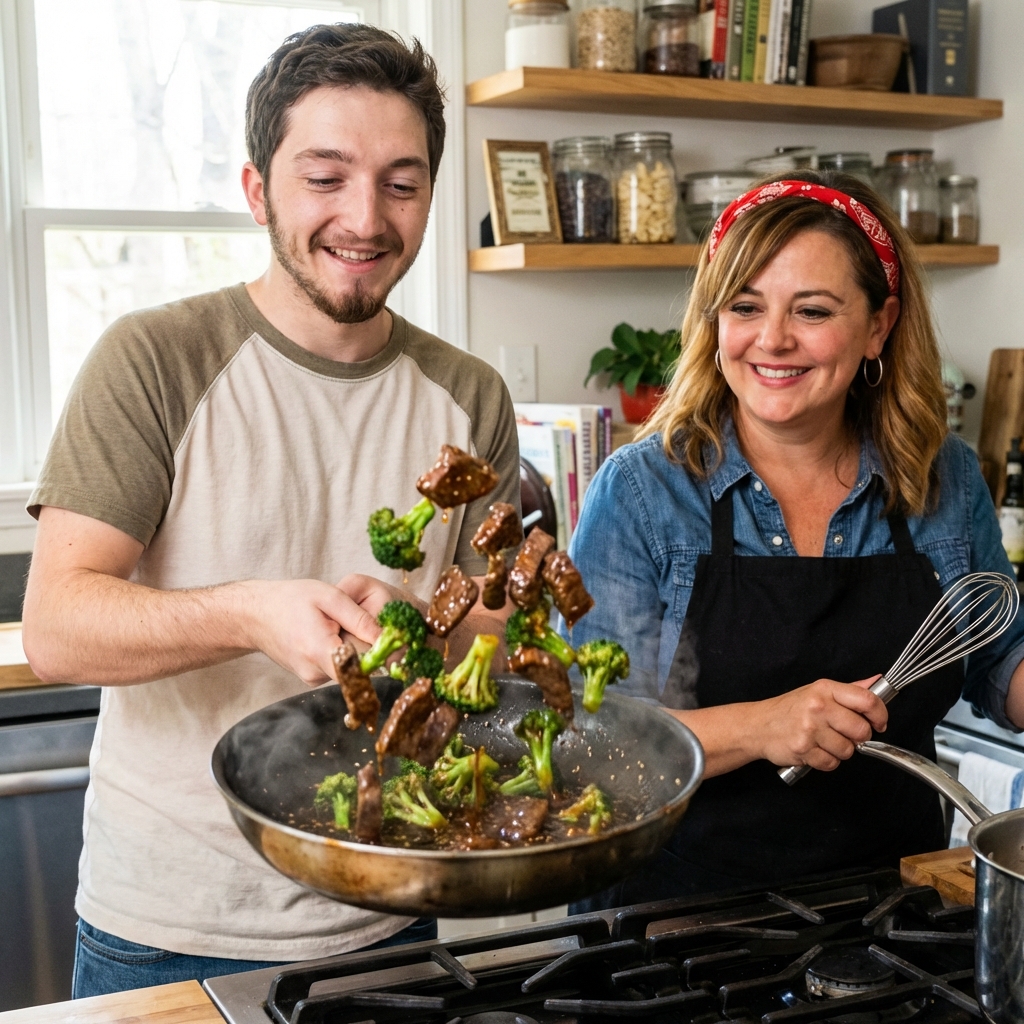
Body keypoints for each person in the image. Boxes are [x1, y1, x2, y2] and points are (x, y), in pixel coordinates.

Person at [21, 24, 518, 995]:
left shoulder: (470, 396)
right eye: (324, 177)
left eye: (401, 182)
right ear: (258, 191)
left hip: (396, 903)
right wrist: (250, 612)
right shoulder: (153, 358)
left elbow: (490, 624)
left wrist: (427, 626)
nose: (364, 217)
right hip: (172, 922)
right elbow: (56, 628)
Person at [566, 170, 1024, 908]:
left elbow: (1001, 661)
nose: (772, 339)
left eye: (812, 310)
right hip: (672, 930)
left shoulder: (947, 480)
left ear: (879, 324)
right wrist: (764, 726)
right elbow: (593, 746)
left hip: (892, 918)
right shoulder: (645, 492)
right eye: (745, 307)